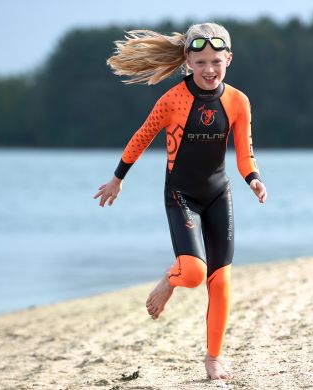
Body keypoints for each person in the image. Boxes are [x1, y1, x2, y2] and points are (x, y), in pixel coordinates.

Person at [93, 22, 267, 380]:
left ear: (228, 59)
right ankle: (168, 281)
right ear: (187, 60)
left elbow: (244, 154)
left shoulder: (238, 101)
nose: (209, 69)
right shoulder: (172, 99)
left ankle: (214, 358)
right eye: (200, 61)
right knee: (192, 273)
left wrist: (254, 179)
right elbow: (141, 137)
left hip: (219, 194)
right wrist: (117, 178)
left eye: (216, 61)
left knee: (220, 281)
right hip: (181, 195)